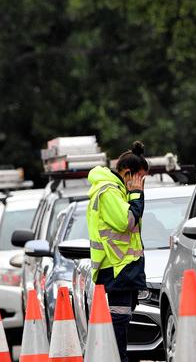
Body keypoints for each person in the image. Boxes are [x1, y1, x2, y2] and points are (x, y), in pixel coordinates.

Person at [86, 141, 148, 362]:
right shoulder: (109, 191)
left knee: (121, 323)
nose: (142, 185)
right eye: (141, 179)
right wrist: (136, 195)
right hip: (116, 268)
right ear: (128, 174)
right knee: (117, 326)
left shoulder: (118, 190)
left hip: (122, 268)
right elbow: (128, 222)